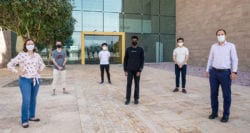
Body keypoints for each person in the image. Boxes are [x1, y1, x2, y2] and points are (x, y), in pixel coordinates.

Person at [7, 39, 45, 128]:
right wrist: (17, 71)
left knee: (33, 99)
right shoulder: (22, 55)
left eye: (32, 43)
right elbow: (10, 65)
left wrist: (40, 70)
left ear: (34, 45)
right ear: (25, 45)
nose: (30, 45)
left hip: (36, 79)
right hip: (25, 80)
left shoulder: (37, 55)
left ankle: (32, 116)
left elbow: (42, 64)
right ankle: (24, 120)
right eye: (28, 43)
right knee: (26, 100)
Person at [206, 29, 238, 123]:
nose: (220, 36)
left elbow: (234, 59)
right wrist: (208, 70)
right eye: (218, 34)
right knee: (213, 94)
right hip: (214, 73)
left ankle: (225, 115)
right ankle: (214, 112)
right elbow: (210, 58)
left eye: (222, 34)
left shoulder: (231, 46)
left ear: (225, 35)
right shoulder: (213, 46)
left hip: (225, 73)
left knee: (226, 95)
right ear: (216, 36)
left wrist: (234, 72)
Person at [124, 36, 144, 105]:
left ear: (137, 41)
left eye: (135, 40)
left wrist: (140, 70)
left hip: (137, 71)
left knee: (137, 85)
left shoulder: (140, 49)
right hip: (129, 70)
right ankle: (128, 99)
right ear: (131, 41)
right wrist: (125, 70)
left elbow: (142, 60)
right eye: (133, 40)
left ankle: (136, 99)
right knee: (129, 84)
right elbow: (125, 60)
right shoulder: (128, 49)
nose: (134, 41)